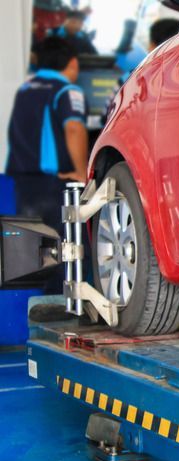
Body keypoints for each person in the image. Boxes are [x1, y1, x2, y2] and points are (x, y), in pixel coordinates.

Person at [5, 37, 89, 293]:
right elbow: (74, 128)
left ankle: (34, 310)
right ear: (73, 63)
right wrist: (81, 171)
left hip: (23, 182)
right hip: (56, 183)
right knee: (67, 250)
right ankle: (62, 309)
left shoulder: (26, 89)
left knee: (31, 257)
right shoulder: (67, 91)